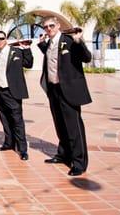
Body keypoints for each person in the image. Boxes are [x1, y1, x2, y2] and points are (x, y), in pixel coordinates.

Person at [38, 16, 92, 176]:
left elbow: (86, 58)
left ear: (58, 25)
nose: (49, 29)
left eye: (51, 26)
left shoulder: (69, 40)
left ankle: (79, 162)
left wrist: (78, 41)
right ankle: (64, 154)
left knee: (74, 128)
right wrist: (41, 44)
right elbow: (52, 58)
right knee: (60, 124)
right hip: (53, 89)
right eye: (46, 27)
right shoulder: (49, 43)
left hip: (68, 90)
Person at [0, 31, 33, 161]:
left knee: (17, 121)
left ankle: (22, 149)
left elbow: (28, 63)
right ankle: (9, 143)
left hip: (12, 92)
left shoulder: (16, 52)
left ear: (6, 39)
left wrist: (27, 49)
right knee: (4, 118)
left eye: (1, 38)